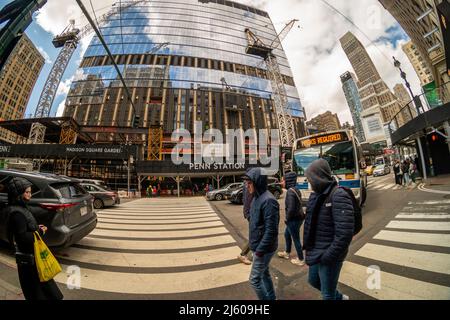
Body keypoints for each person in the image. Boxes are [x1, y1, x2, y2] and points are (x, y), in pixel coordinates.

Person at [303, 159, 354, 300]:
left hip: (330, 255)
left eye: (310, 179)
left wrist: (328, 256)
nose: (309, 182)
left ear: (318, 177)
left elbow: (345, 233)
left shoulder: (338, 195)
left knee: (327, 294)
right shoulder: (316, 195)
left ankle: (335, 296)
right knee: (313, 281)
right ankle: (339, 297)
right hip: (316, 251)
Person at [6, 177, 63, 300]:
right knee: (37, 292)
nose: (29, 195)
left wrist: (36, 227)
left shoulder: (21, 208)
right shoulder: (17, 214)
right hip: (29, 261)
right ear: (18, 194)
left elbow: (27, 228)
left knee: (45, 290)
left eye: (30, 192)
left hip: (34, 258)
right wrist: (39, 232)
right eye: (27, 192)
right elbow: (22, 237)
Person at [244, 168, 280, 301]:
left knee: (254, 280)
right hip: (258, 247)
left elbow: (271, 231)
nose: (247, 185)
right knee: (265, 275)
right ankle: (272, 297)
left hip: (263, 249)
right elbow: (255, 222)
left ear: (258, 182)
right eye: (246, 182)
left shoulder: (269, 201)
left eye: (249, 182)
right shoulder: (256, 198)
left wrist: (259, 251)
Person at [277, 172, 305, 266]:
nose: (281, 183)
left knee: (296, 238)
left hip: (293, 220)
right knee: (286, 234)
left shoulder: (290, 191)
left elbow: (291, 208)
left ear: (287, 181)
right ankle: (287, 253)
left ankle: (301, 259)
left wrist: (287, 219)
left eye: (282, 180)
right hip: (298, 218)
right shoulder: (295, 189)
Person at [237, 181, 254, 265]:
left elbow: (245, 199)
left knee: (257, 234)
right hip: (252, 214)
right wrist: (249, 214)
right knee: (255, 235)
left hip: (250, 213)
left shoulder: (246, 184)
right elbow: (248, 199)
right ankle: (243, 254)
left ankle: (254, 253)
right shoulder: (249, 185)